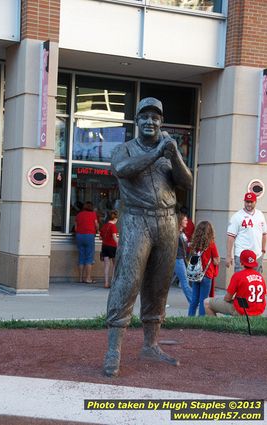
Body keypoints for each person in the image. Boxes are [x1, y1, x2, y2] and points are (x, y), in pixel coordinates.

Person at [103, 97, 193, 377]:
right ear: (137, 121)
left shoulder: (168, 151)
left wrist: (174, 153)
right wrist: (156, 154)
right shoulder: (124, 149)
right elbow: (122, 170)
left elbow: (186, 183)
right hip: (136, 220)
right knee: (127, 281)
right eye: (145, 117)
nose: (150, 122)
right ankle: (114, 348)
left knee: (159, 283)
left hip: (167, 220)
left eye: (155, 118)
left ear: (161, 122)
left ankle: (150, 344)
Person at [205, 250, 266, 317]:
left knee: (207, 302)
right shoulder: (260, 276)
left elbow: (227, 298)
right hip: (258, 312)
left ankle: (216, 326)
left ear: (241, 263)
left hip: (242, 312)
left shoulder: (238, 275)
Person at [226, 192, 267, 273]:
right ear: (244, 202)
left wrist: (263, 250)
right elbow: (230, 237)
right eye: (247, 201)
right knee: (240, 281)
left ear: (255, 202)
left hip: (257, 255)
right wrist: (228, 255)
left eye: (251, 202)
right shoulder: (237, 216)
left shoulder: (260, 214)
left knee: (255, 281)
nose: (249, 204)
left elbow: (264, 233)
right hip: (241, 255)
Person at [188, 221, 220, 316]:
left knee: (194, 299)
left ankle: (189, 319)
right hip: (207, 274)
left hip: (196, 274)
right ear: (210, 232)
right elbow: (216, 260)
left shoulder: (194, 244)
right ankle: (201, 320)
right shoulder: (211, 244)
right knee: (203, 300)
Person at [75, 201, 99, 284]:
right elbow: (96, 225)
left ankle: (80, 278)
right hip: (89, 235)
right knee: (89, 257)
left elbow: (75, 227)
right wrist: (97, 230)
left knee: (81, 257)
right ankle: (88, 278)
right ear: (91, 207)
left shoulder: (79, 214)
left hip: (79, 236)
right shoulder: (93, 214)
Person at [173, 212, 192, 304]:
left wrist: (191, 244)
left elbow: (184, 245)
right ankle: (193, 301)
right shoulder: (176, 233)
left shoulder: (181, 233)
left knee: (166, 282)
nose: (187, 222)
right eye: (185, 220)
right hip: (178, 259)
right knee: (185, 281)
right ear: (180, 221)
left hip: (181, 259)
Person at [100, 210, 119, 289]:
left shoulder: (104, 226)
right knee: (115, 265)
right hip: (112, 247)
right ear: (115, 218)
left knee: (106, 265)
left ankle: (106, 283)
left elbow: (100, 237)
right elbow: (114, 237)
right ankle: (113, 282)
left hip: (104, 246)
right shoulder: (113, 226)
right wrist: (119, 244)